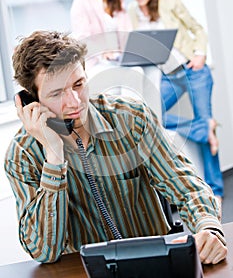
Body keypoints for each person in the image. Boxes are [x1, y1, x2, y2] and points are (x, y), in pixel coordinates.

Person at [4, 30, 227, 264]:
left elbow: (185, 185)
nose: (74, 102)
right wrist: (54, 157)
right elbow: (42, 250)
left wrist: (209, 228)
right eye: (57, 93)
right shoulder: (22, 155)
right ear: (32, 101)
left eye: (78, 84)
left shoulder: (131, 118)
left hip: (153, 266)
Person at [128, 0, 224, 204]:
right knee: (153, 115)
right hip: (169, 75)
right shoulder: (133, 11)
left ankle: (216, 191)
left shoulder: (169, 3)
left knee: (204, 117)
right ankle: (205, 127)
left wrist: (200, 54)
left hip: (194, 70)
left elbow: (197, 28)